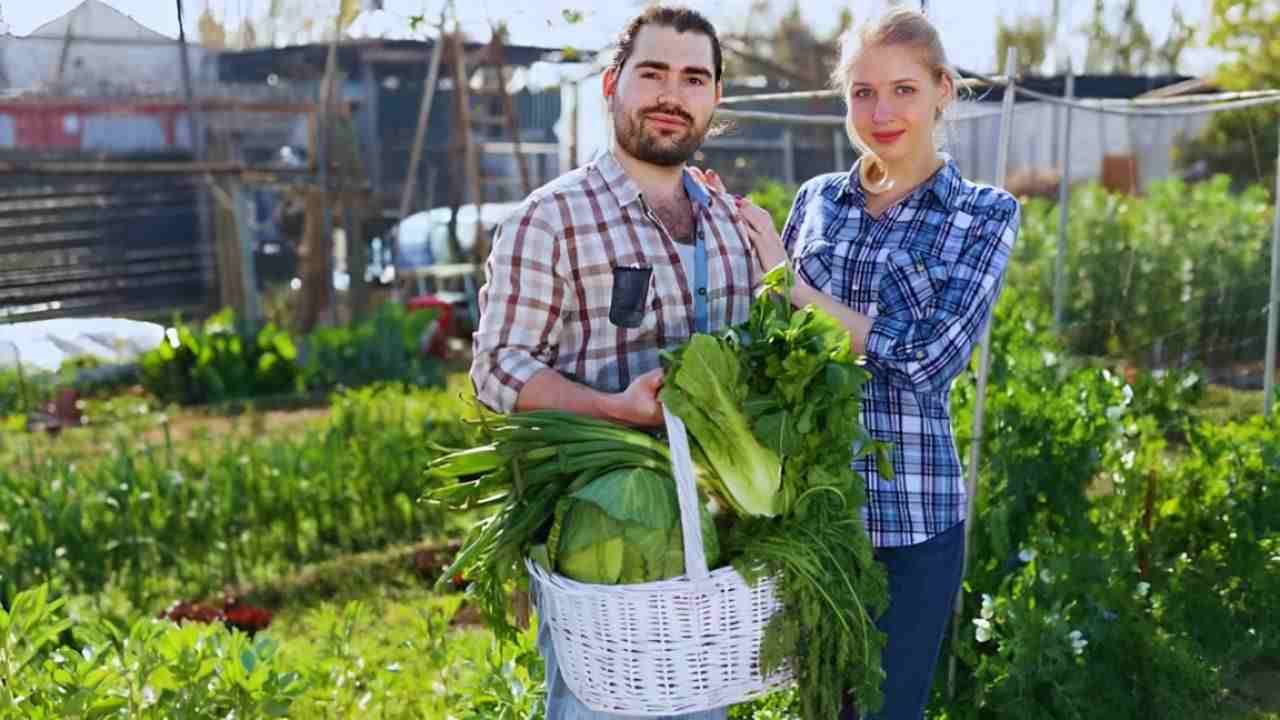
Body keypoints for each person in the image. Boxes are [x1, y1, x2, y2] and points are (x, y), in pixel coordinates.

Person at [701, 7, 1020, 719]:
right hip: (811, 517)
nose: (881, 112)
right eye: (863, 92)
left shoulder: (983, 214)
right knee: (814, 706)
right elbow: (769, 331)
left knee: (881, 711)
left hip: (910, 524)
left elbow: (929, 361)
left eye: (904, 90)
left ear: (943, 89)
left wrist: (798, 289)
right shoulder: (819, 201)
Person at [469, 6, 756, 719]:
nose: (671, 94)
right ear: (611, 85)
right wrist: (613, 408)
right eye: (651, 73)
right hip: (600, 549)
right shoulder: (550, 218)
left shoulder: (730, 224)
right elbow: (498, 370)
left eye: (694, 78)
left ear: (715, 98)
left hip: (708, 550)